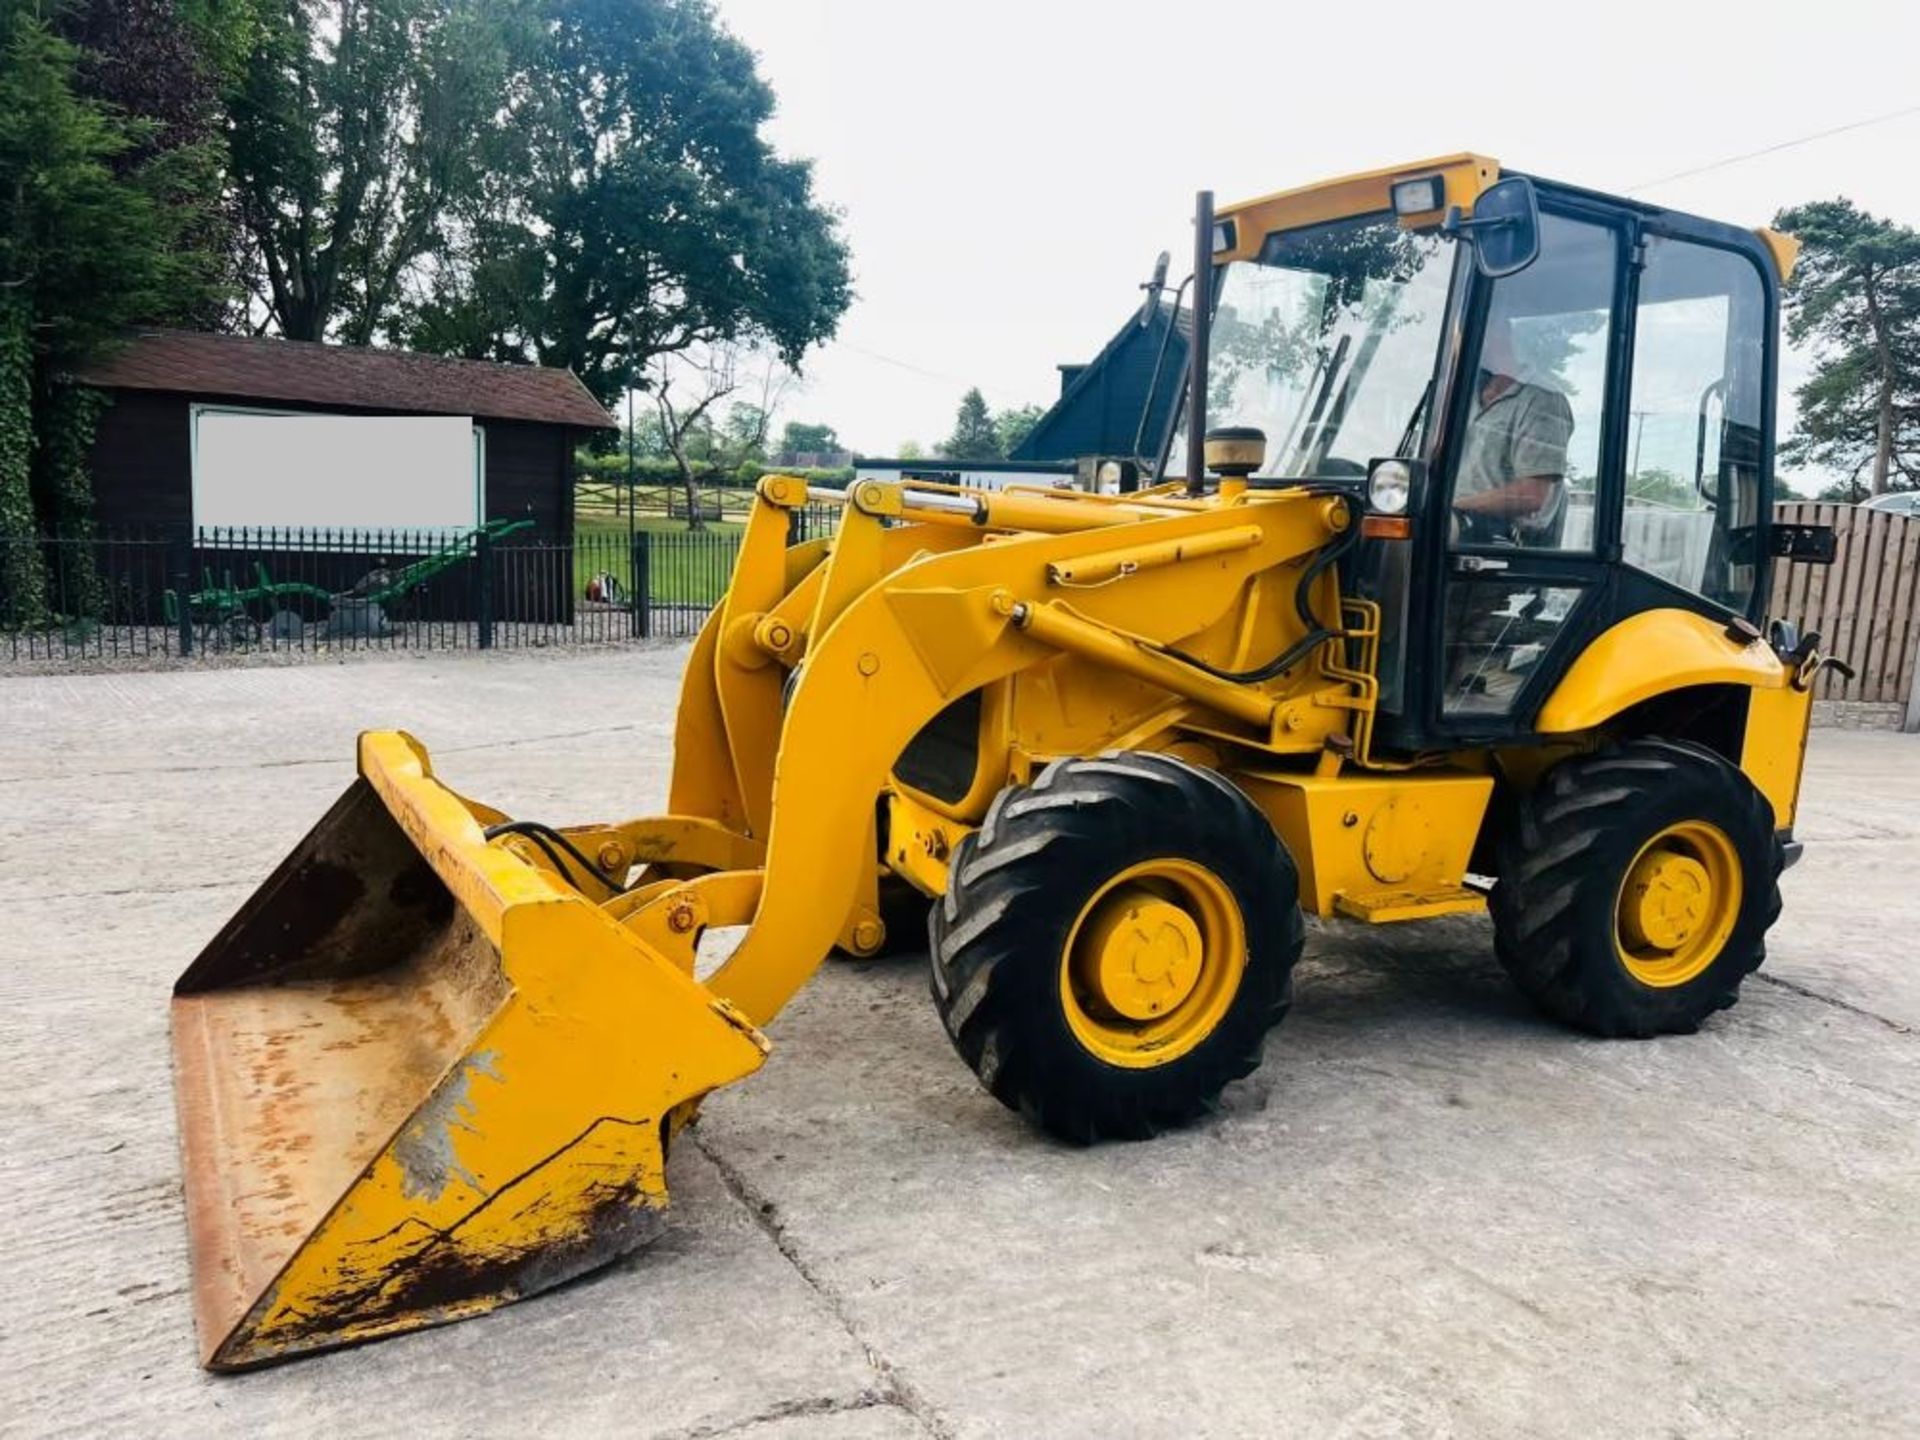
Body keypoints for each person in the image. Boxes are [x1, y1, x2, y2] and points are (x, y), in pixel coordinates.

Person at [1451, 311, 1574, 546]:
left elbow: (1532, 495)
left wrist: (1450, 507)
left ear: (1493, 335)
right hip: (1450, 532)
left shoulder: (1541, 399)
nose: (1455, 347)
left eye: (1459, 337)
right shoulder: (1462, 397)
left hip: (1500, 548)